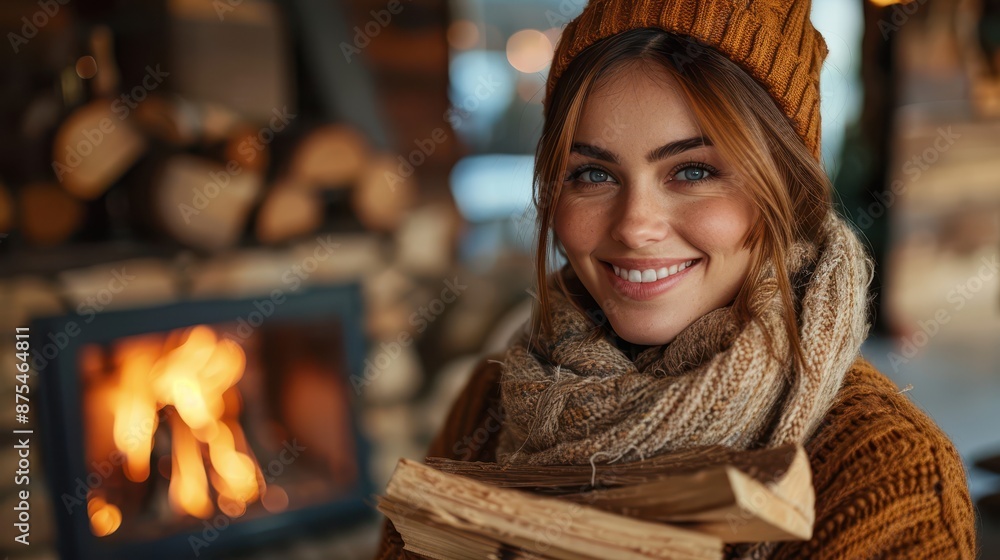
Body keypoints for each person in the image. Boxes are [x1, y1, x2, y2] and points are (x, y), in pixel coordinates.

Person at [375, 0, 977, 558]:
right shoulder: (495, 397)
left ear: (789, 195)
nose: (635, 226)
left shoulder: (889, 475)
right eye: (591, 175)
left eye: (692, 170)